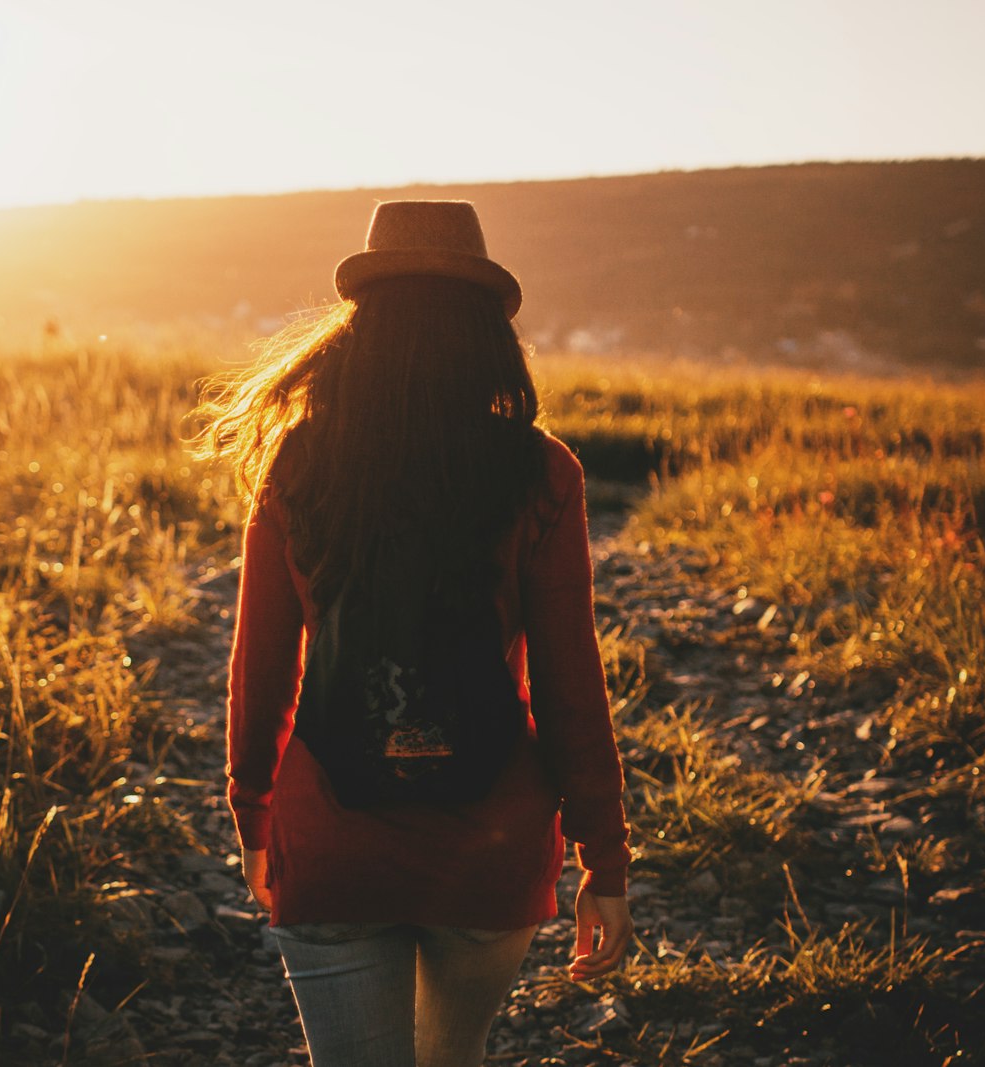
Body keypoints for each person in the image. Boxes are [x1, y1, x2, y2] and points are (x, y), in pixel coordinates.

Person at [199, 200, 632, 1067]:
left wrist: (254, 813)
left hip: (330, 840)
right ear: (485, 332)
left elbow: (261, 667)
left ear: (361, 326)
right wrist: (605, 861)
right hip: (490, 850)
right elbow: (569, 682)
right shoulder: (540, 469)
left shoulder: (299, 462)